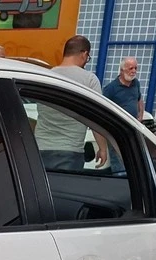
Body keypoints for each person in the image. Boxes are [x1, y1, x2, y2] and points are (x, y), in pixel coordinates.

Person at [33, 35, 110, 172]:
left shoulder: (45, 76)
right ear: (84, 54)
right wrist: (102, 148)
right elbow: (96, 118)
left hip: (40, 148)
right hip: (70, 151)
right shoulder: (89, 80)